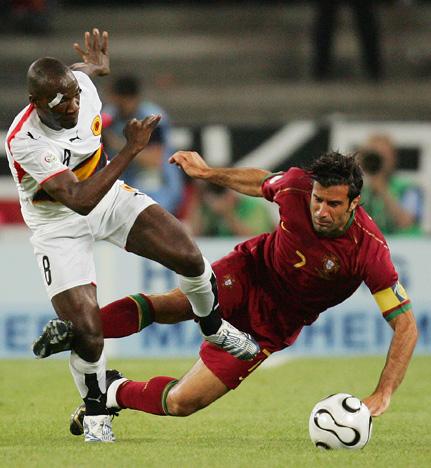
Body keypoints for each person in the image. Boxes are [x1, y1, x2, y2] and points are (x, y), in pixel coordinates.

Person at [5, 29, 259, 443]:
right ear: (36, 106)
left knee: (190, 257)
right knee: (87, 326)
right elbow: (79, 200)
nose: (72, 106)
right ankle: (95, 411)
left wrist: (95, 67)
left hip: (108, 196)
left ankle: (214, 326)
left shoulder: (80, 87)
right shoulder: (26, 139)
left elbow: (78, 73)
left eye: (73, 96)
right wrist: (130, 150)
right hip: (59, 222)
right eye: (60, 103)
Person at [66, 151, 417, 436]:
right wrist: (207, 173)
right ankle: (76, 329)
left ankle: (111, 391)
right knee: (173, 305)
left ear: (355, 204)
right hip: (248, 272)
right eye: (318, 200)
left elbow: (405, 324)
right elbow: (262, 181)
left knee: (183, 403)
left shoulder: (370, 251)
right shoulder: (296, 186)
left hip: (272, 326)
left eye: (333, 205)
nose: (321, 211)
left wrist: (383, 393)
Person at [102, 75, 184, 215]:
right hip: (125, 187)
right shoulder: (108, 117)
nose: (125, 105)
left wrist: (120, 145)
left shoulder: (151, 118)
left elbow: (154, 160)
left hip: (157, 186)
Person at [359, 134, 423, 235]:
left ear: (393, 158)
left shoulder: (408, 188)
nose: (377, 162)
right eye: (374, 157)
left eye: (382, 156)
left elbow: (406, 223)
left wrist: (381, 188)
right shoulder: (361, 190)